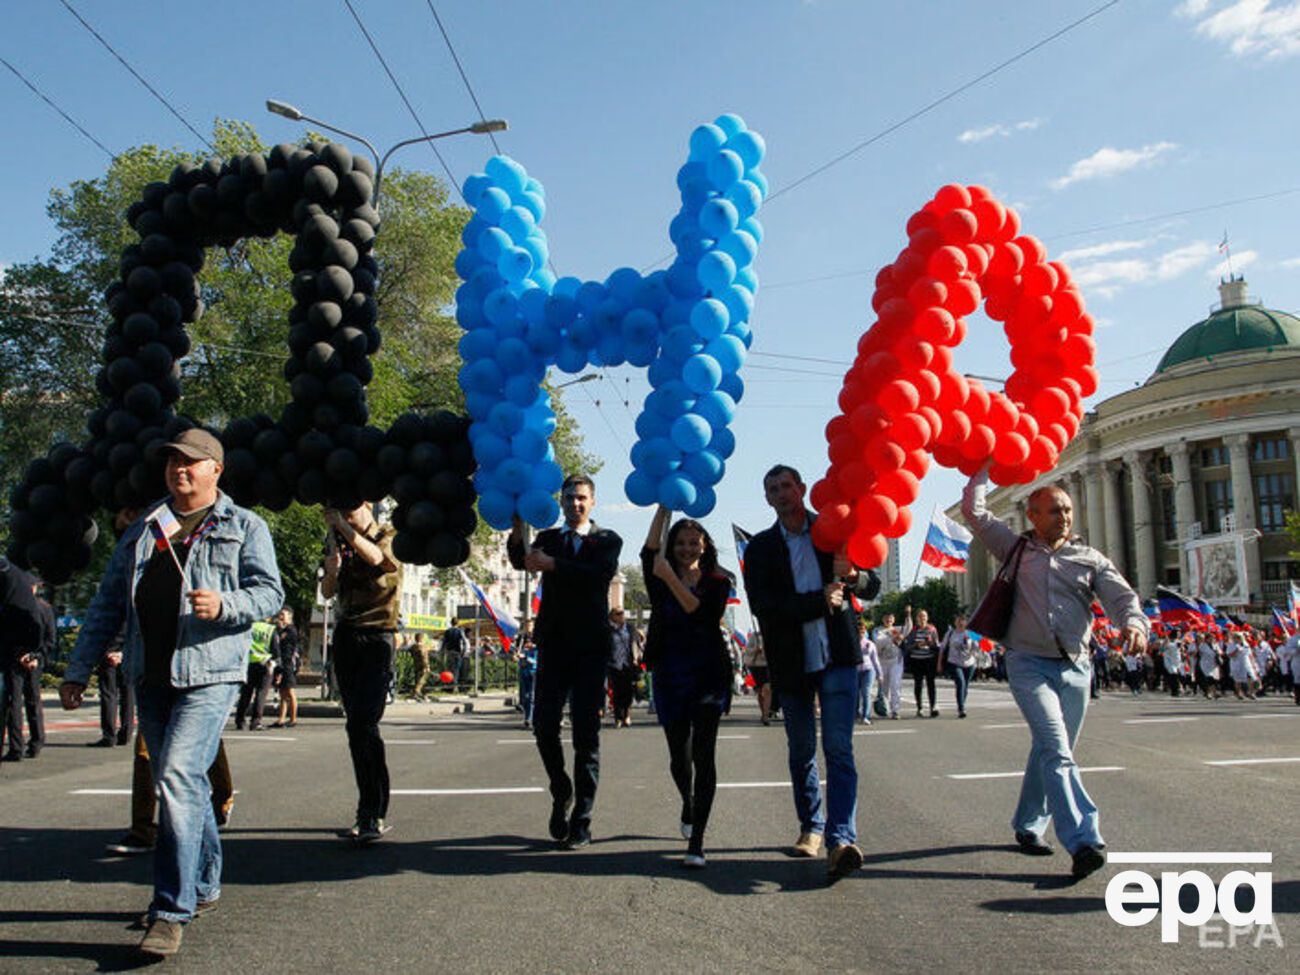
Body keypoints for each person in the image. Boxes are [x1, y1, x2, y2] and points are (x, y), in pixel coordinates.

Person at [60, 427, 283, 957]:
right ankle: (203, 885)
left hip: (210, 675)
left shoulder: (244, 526)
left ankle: (169, 909)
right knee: (186, 784)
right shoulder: (145, 527)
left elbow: (269, 592)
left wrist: (226, 605)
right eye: (171, 463)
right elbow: (108, 603)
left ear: (215, 470)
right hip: (150, 675)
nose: (178, 469)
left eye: (190, 462)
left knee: (178, 777)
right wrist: (77, 669)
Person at [962, 468, 1146, 881]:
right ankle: (1084, 840)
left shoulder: (1090, 558)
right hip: (1028, 664)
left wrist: (1133, 624)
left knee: (1050, 750)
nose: (1063, 516)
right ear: (1033, 515)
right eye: (1053, 510)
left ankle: (1028, 824)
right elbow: (975, 512)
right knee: (1056, 749)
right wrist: (983, 465)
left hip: (1078, 668)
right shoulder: (1015, 549)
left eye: (1067, 509)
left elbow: (1121, 597)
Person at [741, 464, 880, 880]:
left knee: (838, 749)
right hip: (791, 662)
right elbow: (765, 606)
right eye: (773, 489)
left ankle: (841, 838)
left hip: (837, 656)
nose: (781, 493)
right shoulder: (761, 548)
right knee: (802, 750)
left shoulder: (834, 530)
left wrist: (853, 575)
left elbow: (872, 586)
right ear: (767, 499)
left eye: (787, 486)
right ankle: (812, 827)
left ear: (802, 489)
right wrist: (818, 601)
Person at [507, 474, 621, 850]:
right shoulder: (549, 538)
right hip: (554, 646)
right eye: (569, 497)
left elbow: (597, 576)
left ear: (593, 502)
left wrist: (552, 565)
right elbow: (522, 559)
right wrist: (517, 524)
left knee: (587, 738)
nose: (575, 504)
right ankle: (561, 788)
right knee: (543, 727)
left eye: (582, 498)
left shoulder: (607, 540)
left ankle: (582, 821)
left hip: (590, 648)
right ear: (561, 501)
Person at [641, 506, 732, 868]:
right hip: (670, 672)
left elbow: (700, 612)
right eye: (679, 542)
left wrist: (670, 577)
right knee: (680, 756)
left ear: (705, 545)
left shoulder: (719, 581)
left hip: (709, 673)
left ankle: (697, 841)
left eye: (693, 542)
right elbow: (649, 551)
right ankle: (688, 802)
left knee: (704, 756)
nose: (686, 548)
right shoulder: (658, 575)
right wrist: (664, 508)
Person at [321, 502, 402, 844]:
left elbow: (376, 559)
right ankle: (368, 808)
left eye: (349, 507)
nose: (344, 514)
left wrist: (343, 526)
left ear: (367, 504)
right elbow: (326, 592)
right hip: (346, 635)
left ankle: (373, 810)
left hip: (378, 635)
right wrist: (333, 571)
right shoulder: (335, 539)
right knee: (355, 725)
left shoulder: (390, 535)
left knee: (365, 722)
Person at [1, 557, 44, 764]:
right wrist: (33, 652)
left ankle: (18, 746)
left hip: (12, 649)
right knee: (21, 700)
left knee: (12, 700)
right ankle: (25, 744)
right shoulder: (20, 587)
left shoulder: (8, 579)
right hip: (23, 648)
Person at [4, 578, 52, 760]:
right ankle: (36, 742)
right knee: (31, 701)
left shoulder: (11, 607)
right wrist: (36, 656)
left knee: (15, 703)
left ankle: (18, 747)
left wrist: (27, 655)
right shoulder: (44, 608)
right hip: (29, 661)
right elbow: (49, 639)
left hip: (17, 659)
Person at [234, 617, 276, 730]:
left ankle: (240, 720)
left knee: (246, 693)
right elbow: (275, 650)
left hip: (248, 663)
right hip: (265, 664)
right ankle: (255, 721)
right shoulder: (270, 629)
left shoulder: (249, 626)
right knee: (261, 694)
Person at [607, 607, 643, 728]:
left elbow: (638, 642)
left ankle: (627, 715)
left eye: (622, 613)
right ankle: (618, 717)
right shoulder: (609, 630)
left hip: (629, 664)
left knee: (628, 691)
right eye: (618, 614)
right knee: (617, 692)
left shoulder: (630, 628)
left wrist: (637, 656)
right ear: (612, 617)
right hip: (614, 665)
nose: (621, 615)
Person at [901, 607, 941, 718]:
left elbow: (937, 645)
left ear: (927, 618)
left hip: (929, 660)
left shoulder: (932, 629)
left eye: (924, 616)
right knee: (918, 684)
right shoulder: (913, 631)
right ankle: (920, 708)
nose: (922, 618)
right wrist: (916, 645)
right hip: (916, 660)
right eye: (920, 616)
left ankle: (933, 706)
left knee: (931, 684)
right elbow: (907, 646)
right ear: (917, 619)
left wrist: (930, 643)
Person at [940, 614, 977, 718]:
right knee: (960, 683)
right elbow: (942, 648)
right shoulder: (950, 633)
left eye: (963, 621)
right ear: (955, 622)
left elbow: (982, 645)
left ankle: (962, 704)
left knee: (965, 686)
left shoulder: (971, 633)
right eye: (958, 621)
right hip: (954, 662)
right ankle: (961, 708)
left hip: (969, 663)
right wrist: (939, 663)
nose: (961, 623)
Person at [271, 607, 301, 727]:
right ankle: (281, 719)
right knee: (282, 693)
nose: (280, 616)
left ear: (290, 616)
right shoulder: (280, 630)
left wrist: (281, 629)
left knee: (290, 691)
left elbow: (289, 646)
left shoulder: (291, 630)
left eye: (283, 614)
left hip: (288, 664)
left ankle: (293, 719)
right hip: (281, 664)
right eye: (280, 614)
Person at [873, 614, 904, 720]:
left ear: (894, 620)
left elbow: (908, 628)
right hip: (882, 661)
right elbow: (878, 642)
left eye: (891, 618)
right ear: (883, 619)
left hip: (896, 661)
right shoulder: (878, 630)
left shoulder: (898, 629)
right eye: (886, 618)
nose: (888, 620)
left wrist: (908, 614)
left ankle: (895, 710)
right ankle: (884, 709)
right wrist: (892, 638)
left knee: (895, 685)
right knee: (884, 686)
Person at [742, 632, 773, 725]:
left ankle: (766, 715)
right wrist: (756, 649)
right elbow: (747, 650)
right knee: (760, 690)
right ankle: (763, 712)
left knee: (767, 689)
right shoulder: (754, 636)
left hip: (768, 665)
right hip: (756, 666)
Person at [855, 619, 880, 725]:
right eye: (859, 630)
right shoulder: (852, 642)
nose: (861, 632)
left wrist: (880, 674)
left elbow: (875, 660)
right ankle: (855, 714)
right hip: (855, 671)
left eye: (862, 630)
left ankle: (866, 716)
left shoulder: (870, 644)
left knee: (866, 692)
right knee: (855, 693)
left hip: (868, 670)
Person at [517, 633, 538, 729]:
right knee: (525, 698)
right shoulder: (524, 650)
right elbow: (520, 661)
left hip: (533, 674)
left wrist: (526, 658)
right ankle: (527, 716)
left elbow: (536, 661)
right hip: (524, 674)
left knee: (531, 697)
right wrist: (517, 658)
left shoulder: (536, 650)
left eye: (528, 641)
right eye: (526, 642)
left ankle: (529, 719)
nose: (527, 643)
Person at [440, 623, 467, 692]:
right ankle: (455, 686)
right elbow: (464, 642)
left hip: (449, 652)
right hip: (457, 652)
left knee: (449, 669)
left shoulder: (447, 631)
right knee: (456, 669)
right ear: (457, 623)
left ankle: (449, 685)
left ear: (451, 623)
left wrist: (442, 652)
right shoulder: (460, 631)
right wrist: (463, 651)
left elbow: (444, 642)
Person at [407, 632, 431, 700]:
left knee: (417, 679)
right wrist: (427, 666)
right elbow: (424, 657)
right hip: (423, 665)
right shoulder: (422, 647)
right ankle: (416, 692)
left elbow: (410, 652)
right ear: (422, 638)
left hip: (416, 664)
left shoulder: (413, 647)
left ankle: (422, 694)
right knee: (422, 680)